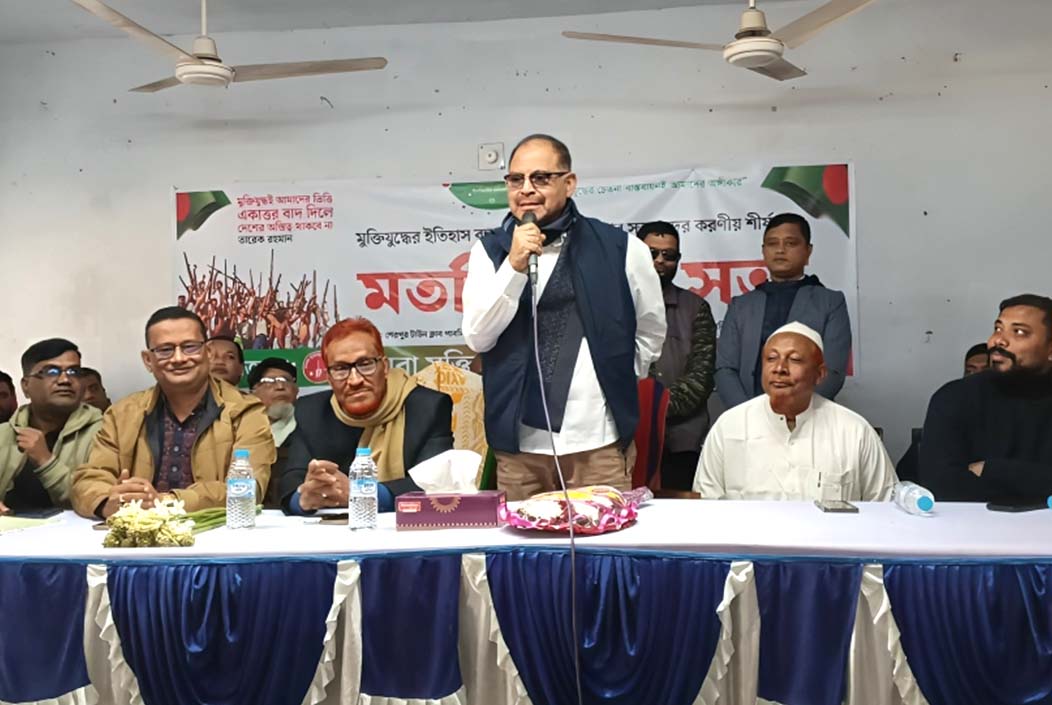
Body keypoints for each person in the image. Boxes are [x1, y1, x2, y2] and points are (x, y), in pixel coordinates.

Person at [462, 134, 666, 500]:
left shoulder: (621, 249)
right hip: (519, 447)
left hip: (597, 443)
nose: (526, 189)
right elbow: (478, 338)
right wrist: (514, 266)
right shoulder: (489, 251)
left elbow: (650, 329)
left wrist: (618, 375)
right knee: (525, 555)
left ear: (569, 183)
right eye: (516, 179)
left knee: (601, 554)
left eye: (540, 178)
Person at [70, 307, 274, 518]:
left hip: (215, 537)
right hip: (140, 538)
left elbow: (249, 489)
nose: (178, 358)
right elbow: (88, 480)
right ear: (148, 360)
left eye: (190, 347)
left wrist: (166, 502)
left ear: (208, 353)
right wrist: (108, 501)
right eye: (165, 350)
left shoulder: (246, 411)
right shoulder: (123, 414)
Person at [695, 322, 895, 500]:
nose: (780, 368)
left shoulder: (854, 431)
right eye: (771, 358)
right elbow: (708, 510)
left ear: (819, 374)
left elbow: (887, 509)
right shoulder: (729, 426)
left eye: (795, 359)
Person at [280, 317, 453, 514]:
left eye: (365, 364)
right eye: (340, 369)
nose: (354, 380)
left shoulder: (427, 407)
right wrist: (304, 497)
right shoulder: (312, 411)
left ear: (385, 367)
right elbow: (290, 482)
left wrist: (365, 494)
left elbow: (436, 483)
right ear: (328, 378)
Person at [920, 295, 1052, 504]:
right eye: (998, 328)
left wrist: (992, 469)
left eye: (1019, 332)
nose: (998, 341)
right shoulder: (955, 398)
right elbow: (942, 488)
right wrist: (1037, 483)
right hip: (971, 533)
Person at [715, 213, 851, 409]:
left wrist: (795, 412)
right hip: (748, 421)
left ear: (808, 251)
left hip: (809, 418)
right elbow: (725, 368)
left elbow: (833, 371)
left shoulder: (830, 302)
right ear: (763, 251)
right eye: (772, 243)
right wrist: (748, 415)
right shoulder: (741, 306)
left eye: (790, 243)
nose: (780, 250)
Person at [639, 221, 717, 490]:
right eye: (651, 253)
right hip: (627, 437)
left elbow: (701, 378)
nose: (660, 261)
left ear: (678, 260)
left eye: (668, 255)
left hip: (683, 441)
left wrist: (655, 407)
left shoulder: (697, 308)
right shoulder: (613, 306)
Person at [0, 339, 103, 513]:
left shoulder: (104, 432)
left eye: (74, 371)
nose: (65, 380)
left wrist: (45, 461)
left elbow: (99, 501)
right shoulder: (3, 434)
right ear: (26, 386)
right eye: (51, 371)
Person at [896, 343, 989, 482]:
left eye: (985, 371)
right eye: (970, 371)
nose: (976, 377)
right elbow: (907, 476)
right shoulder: (949, 401)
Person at [247, 357, 299, 506]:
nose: (280, 386)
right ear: (253, 392)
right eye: (270, 381)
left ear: (296, 391)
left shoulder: (308, 426)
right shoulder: (244, 430)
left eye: (287, 380)